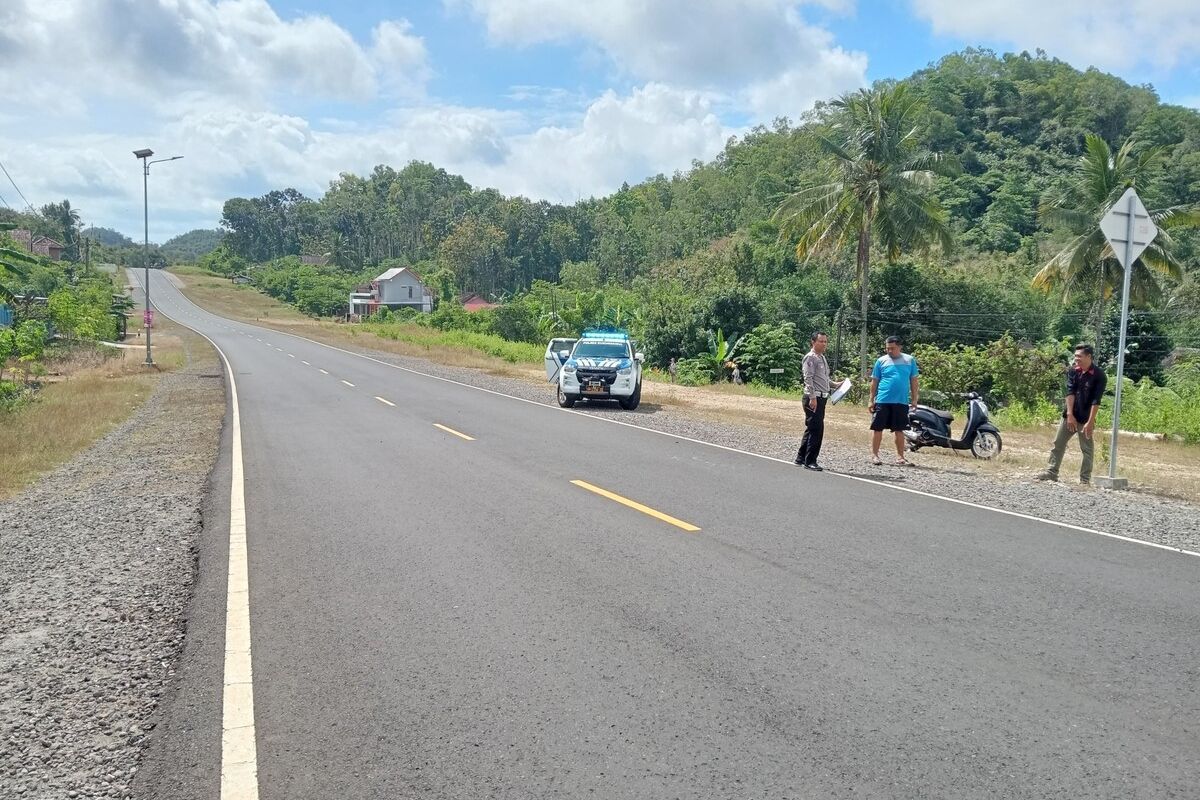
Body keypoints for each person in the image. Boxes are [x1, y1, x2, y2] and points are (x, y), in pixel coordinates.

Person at [1037, 343, 1106, 484]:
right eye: (1075, 356)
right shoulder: (1074, 371)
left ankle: (1084, 479)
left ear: (1089, 356)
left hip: (1086, 418)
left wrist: (1090, 422)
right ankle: (1051, 472)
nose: (1076, 359)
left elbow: (1096, 400)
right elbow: (1070, 392)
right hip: (1070, 415)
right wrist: (1069, 415)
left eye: (1079, 356)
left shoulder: (1099, 375)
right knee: (1058, 443)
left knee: (1087, 449)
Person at [869, 336, 919, 466]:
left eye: (892, 348)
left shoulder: (909, 360)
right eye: (887, 348)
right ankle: (875, 455)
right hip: (883, 400)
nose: (890, 351)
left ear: (900, 347)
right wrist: (871, 400)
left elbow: (914, 381)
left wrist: (914, 399)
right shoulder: (881, 361)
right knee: (877, 428)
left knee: (899, 429)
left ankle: (900, 457)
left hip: (901, 401)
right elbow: (874, 381)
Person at [795, 331, 831, 471]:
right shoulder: (810, 358)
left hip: (822, 397)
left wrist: (837, 385)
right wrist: (812, 397)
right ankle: (810, 461)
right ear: (813, 342)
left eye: (825, 341)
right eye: (821, 341)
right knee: (817, 430)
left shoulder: (822, 358)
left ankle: (801, 457)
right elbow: (808, 378)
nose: (824, 344)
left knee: (811, 428)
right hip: (814, 398)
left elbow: (824, 379)